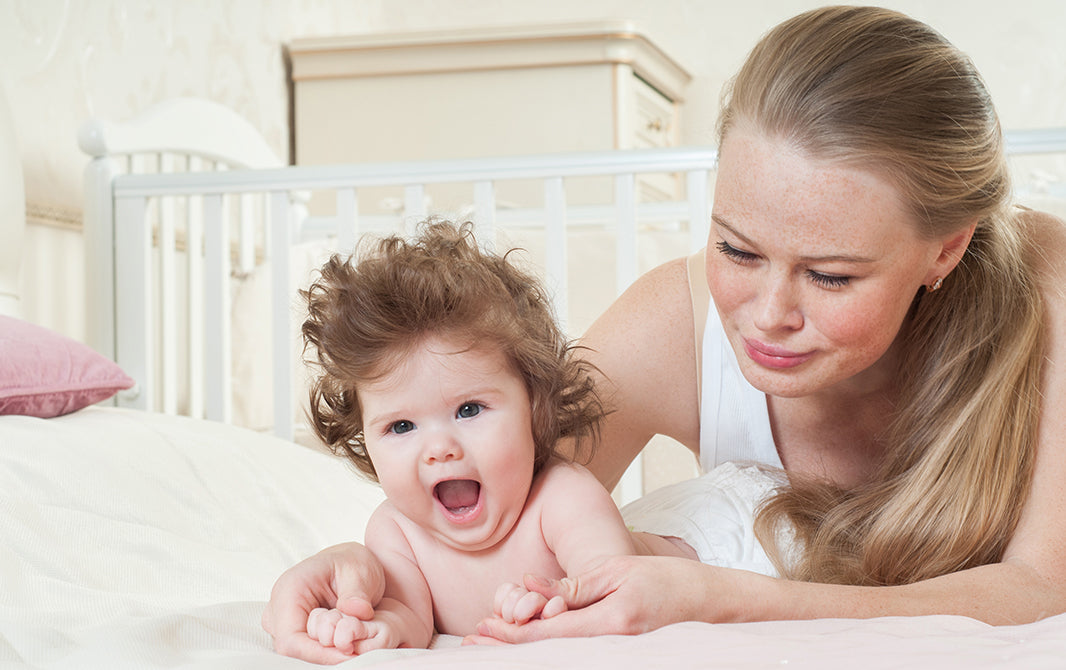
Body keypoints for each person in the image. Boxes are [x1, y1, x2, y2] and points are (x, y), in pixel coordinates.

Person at [263, 5, 1066, 654]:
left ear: (946, 248)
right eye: (736, 249)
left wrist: (726, 601)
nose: (767, 313)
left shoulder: (1049, 289)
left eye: (831, 275)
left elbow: (1036, 589)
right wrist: (365, 571)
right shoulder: (671, 327)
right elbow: (495, 523)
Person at [285, 220, 730, 657]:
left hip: (716, 549)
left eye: (469, 410)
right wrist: (368, 627)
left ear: (534, 406)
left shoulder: (562, 498)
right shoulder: (396, 531)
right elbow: (412, 620)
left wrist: (554, 602)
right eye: (401, 427)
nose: (440, 449)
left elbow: (614, 588)